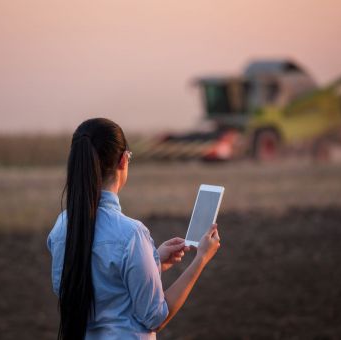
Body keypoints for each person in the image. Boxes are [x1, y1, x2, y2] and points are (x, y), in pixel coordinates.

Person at [47, 118, 221, 340]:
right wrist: (201, 259)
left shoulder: (61, 228)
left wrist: (154, 260)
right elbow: (155, 317)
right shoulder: (131, 234)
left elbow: (98, 282)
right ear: (123, 160)